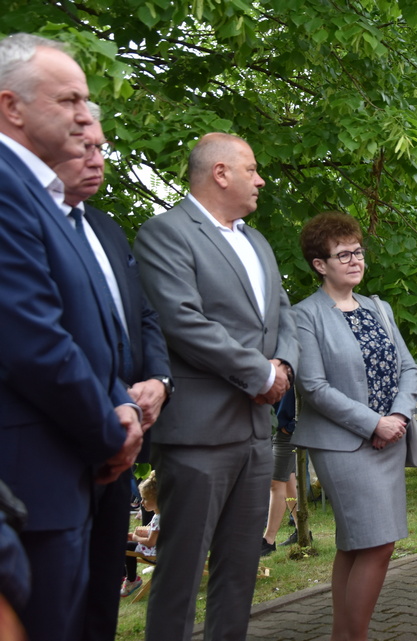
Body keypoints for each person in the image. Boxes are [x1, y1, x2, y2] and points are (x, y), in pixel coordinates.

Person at [0, 33, 143, 641]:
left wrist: (121, 397)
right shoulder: (8, 189)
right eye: (70, 100)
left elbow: (94, 330)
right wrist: (112, 430)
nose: (87, 116)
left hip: (71, 470)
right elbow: (33, 339)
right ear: (12, 107)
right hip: (34, 477)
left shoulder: (44, 198)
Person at [133, 132, 300, 640]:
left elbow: (283, 315)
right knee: (181, 575)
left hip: (254, 430)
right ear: (220, 173)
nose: (261, 179)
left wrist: (283, 367)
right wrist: (260, 374)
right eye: (252, 169)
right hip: (198, 434)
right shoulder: (166, 233)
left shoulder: (257, 241)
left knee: (239, 572)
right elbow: (182, 321)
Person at [52, 103, 173, 641]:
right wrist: (114, 405)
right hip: (57, 441)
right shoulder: (30, 223)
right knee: (55, 599)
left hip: (122, 441)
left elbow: (143, 315)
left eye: (103, 149)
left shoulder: (105, 227)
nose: (98, 161)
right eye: (86, 149)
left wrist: (159, 383)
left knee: (103, 589)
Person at [292, 211, 417, 641]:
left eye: (358, 251)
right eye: (342, 254)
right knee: (379, 544)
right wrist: (373, 425)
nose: (354, 260)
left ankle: (343, 636)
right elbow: (312, 386)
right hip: (344, 446)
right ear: (319, 264)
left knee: (356, 543)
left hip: (391, 439)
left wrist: (398, 417)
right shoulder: (304, 315)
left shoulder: (378, 308)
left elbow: (407, 367)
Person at [261, 388, 302, 556]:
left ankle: (268, 541)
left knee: (276, 483)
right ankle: (303, 531)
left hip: (285, 430)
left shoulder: (292, 366)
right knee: (288, 481)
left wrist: (288, 426)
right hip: (280, 427)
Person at [122, 471, 161, 597]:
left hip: (159, 554)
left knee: (127, 546)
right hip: (171, 551)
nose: (142, 502)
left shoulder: (158, 518)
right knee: (129, 543)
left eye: (145, 499)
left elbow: (151, 542)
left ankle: (132, 579)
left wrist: (135, 537)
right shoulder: (166, 513)